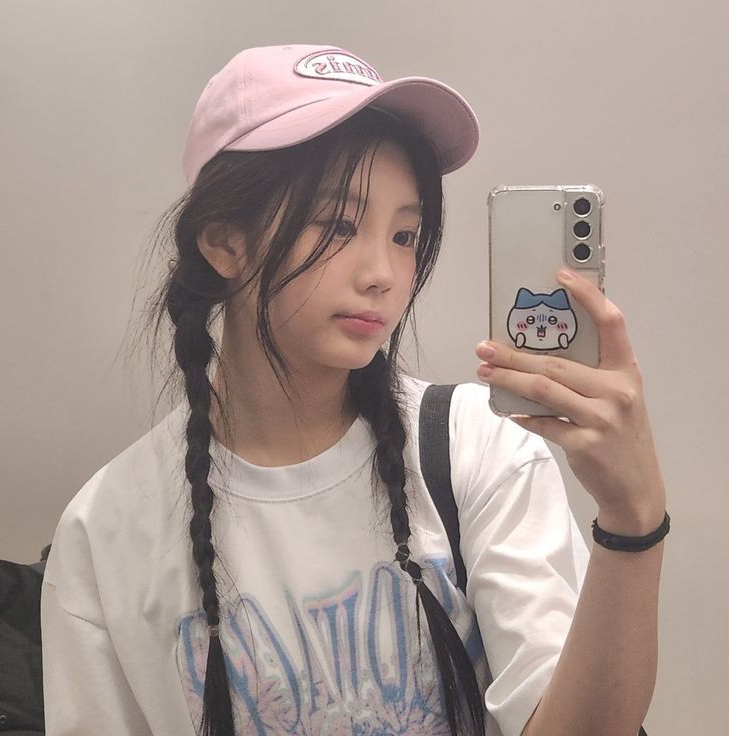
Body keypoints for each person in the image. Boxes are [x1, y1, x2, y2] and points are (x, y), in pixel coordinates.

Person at [40, 44, 668, 736]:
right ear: (225, 243)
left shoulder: (477, 450)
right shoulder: (105, 533)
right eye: (338, 224)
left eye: (405, 235)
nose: (383, 274)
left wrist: (632, 518)